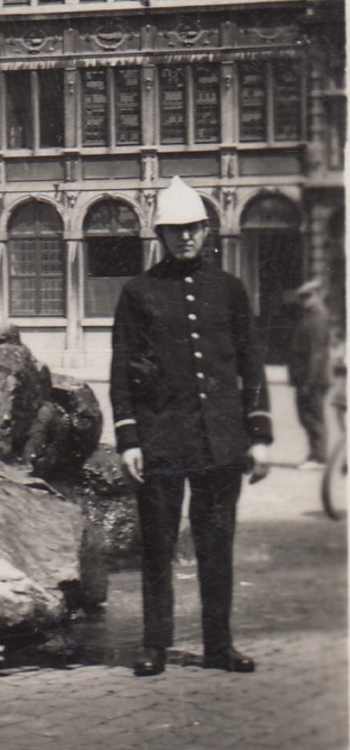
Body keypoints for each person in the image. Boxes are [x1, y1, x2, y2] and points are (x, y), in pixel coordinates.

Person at [110, 176, 272, 677]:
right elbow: (122, 368)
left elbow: (251, 361)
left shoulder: (229, 289)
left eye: (193, 228)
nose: (184, 237)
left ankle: (219, 647)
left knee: (216, 547)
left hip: (220, 440)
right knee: (158, 549)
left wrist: (260, 434)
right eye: (174, 229)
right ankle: (154, 645)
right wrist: (130, 438)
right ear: (159, 234)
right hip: (162, 440)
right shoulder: (138, 293)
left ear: (207, 231)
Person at [287, 278, 332, 468]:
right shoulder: (309, 315)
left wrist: (308, 382)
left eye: (308, 296)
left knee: (313, 416)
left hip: (312, 377)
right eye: (302, 296)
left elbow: (316, 354)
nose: (303, 300)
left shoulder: (318, 317)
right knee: (306, 415)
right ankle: (315, 453)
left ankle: (319, 456)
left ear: (317, 295)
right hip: (305, 376)